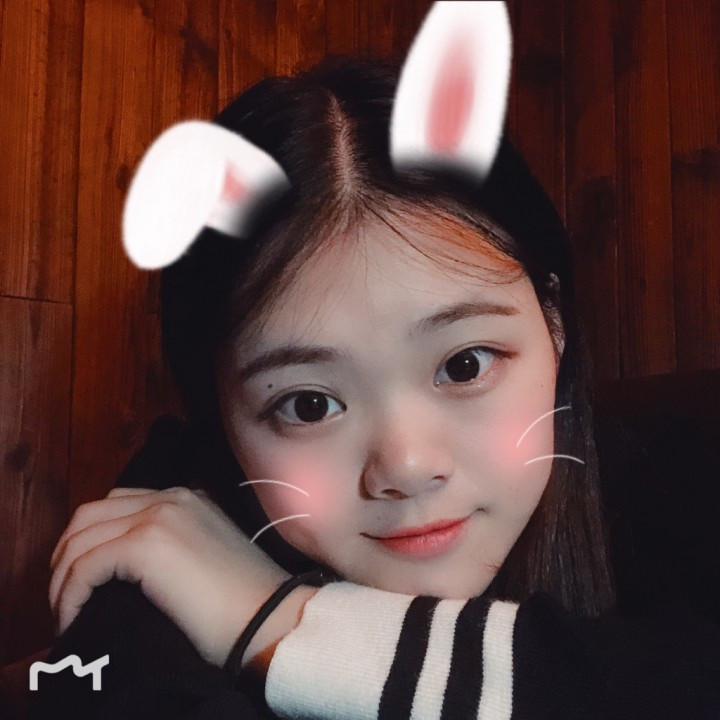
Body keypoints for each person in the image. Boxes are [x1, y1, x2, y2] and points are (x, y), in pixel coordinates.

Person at [29, 56, 720, 720]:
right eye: (308, 405)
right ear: (219, 418)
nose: (408, 466)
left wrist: (273, 619)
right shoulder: (170, 523)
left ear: (555, 326)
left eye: (465, 365)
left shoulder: (674, 478)